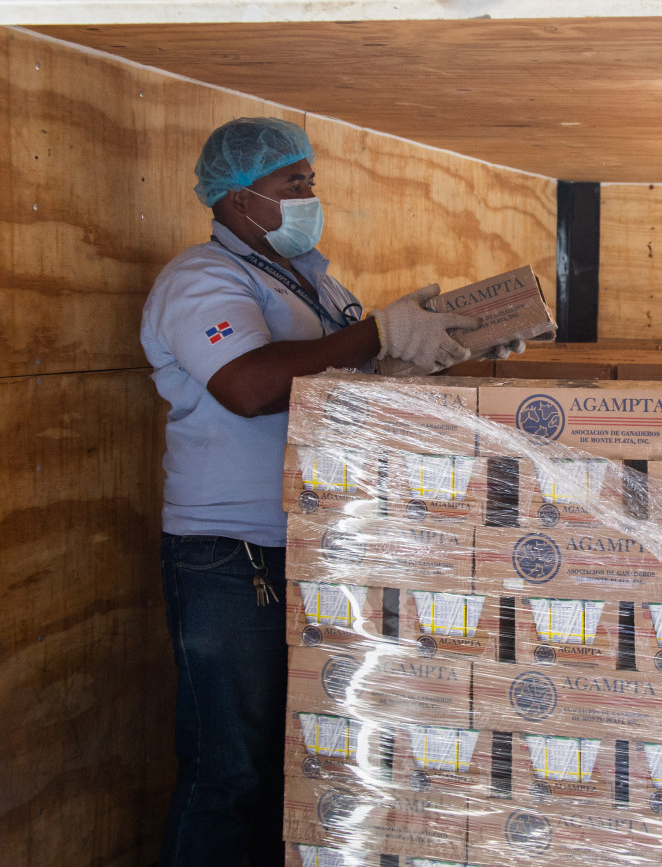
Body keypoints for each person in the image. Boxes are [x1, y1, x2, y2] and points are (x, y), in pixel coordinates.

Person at [140, 116, 521, 866]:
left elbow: (347, 379)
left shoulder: (311, 277)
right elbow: (248, 386)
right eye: (294, 183)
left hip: (315, 547)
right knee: (230, 766)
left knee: (296, 755)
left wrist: (450, 348)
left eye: (311, 180)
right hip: (231, 554)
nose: (309, 196)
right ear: (240, 197)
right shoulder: (201, 279)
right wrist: (379, 331)